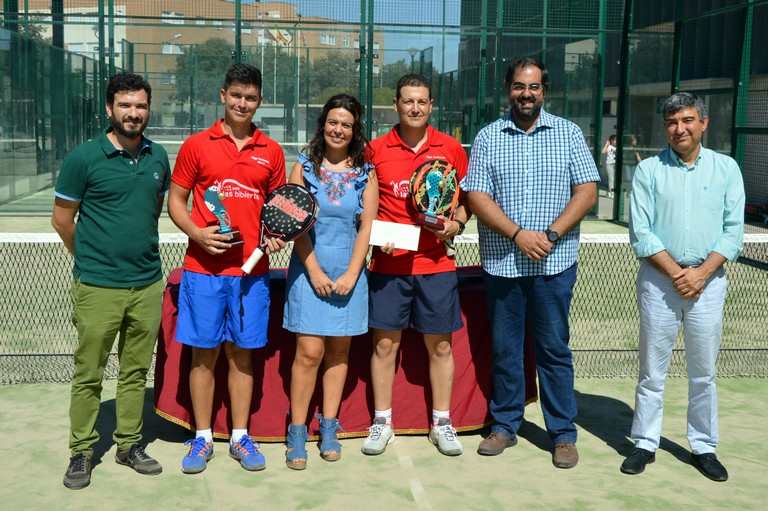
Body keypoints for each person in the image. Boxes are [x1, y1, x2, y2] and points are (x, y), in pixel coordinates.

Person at [461, 57, 599, 468]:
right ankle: (505, 425)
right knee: (506, 350)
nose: (527, 94)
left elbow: (586, 191)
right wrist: (518, 235)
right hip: (504, 263)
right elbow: (477, 196)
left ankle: (562, 434)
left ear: (545, 90)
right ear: (508, 89)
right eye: (520, 86)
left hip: (555, 266)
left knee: (553, 349)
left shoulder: (569, 134)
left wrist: (551, 235)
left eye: (534, 87)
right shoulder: (488, 137)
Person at [167, 63, 286, 474]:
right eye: (236, 95)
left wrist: (274, 237)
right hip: (202, 271)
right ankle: (202, 437)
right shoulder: (196, 145)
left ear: (259, 101)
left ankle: (239, 436)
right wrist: (198, 234)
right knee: (203, 355)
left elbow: (277, 213)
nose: (242, 103)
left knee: (241, 357)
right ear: (223, 96)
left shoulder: (271, 152)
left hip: (251, 275)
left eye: (250, 97)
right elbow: (176, 203)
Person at [52, 72, 169, 489]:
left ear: (148, 109)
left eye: (140, 105)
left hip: (147, 284)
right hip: (97, 287)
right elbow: (63, 220)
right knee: (89, 374)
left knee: (136, 372)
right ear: (109, 109)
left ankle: (129, 444)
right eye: (125, 105)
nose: (133, 112)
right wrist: (91, 260)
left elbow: (152, 210)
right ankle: (82, 450)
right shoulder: (83, 158)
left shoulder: (158, 157)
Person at [622, 92, 745, 481]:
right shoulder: (648, 171)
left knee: (703, 372)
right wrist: (678, 273)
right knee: (651, 373)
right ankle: (644, 442)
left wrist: (700, 274)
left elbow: (733, 232)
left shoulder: (727, 169)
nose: (680, 129)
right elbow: (641, 232)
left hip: (708, 285)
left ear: (703, 124)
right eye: (673, 122)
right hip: (659, 284)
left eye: (688, 120)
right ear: (665, 126)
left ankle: (704, 447)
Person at [361, 74, 471, 457]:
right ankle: (382, 422)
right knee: (385, 345)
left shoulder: (452, 148)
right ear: (395, 104)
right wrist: (377, 237)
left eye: (422, 102)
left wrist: (456, 223)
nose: (415, 108)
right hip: (389, 267)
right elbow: (363, 210)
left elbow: (465, 201)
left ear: (431, 105)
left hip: (437, 265)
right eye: (408, 101)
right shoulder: (374, 150)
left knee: (440, 346)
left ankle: (442, 423)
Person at [282, 94, 379, 470]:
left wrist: (353, 273)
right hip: (309, 275)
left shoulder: (366, 173)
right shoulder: (302, 168)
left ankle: (329, 429)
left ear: (355, 131)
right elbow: (295, 225)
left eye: (347, 124)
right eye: (333, 122)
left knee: (339, 354)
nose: (339, 129)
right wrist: (317, 272)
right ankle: (296, 432)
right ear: (323, 124)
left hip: (350, 276)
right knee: (308, 353)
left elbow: (366, 226)